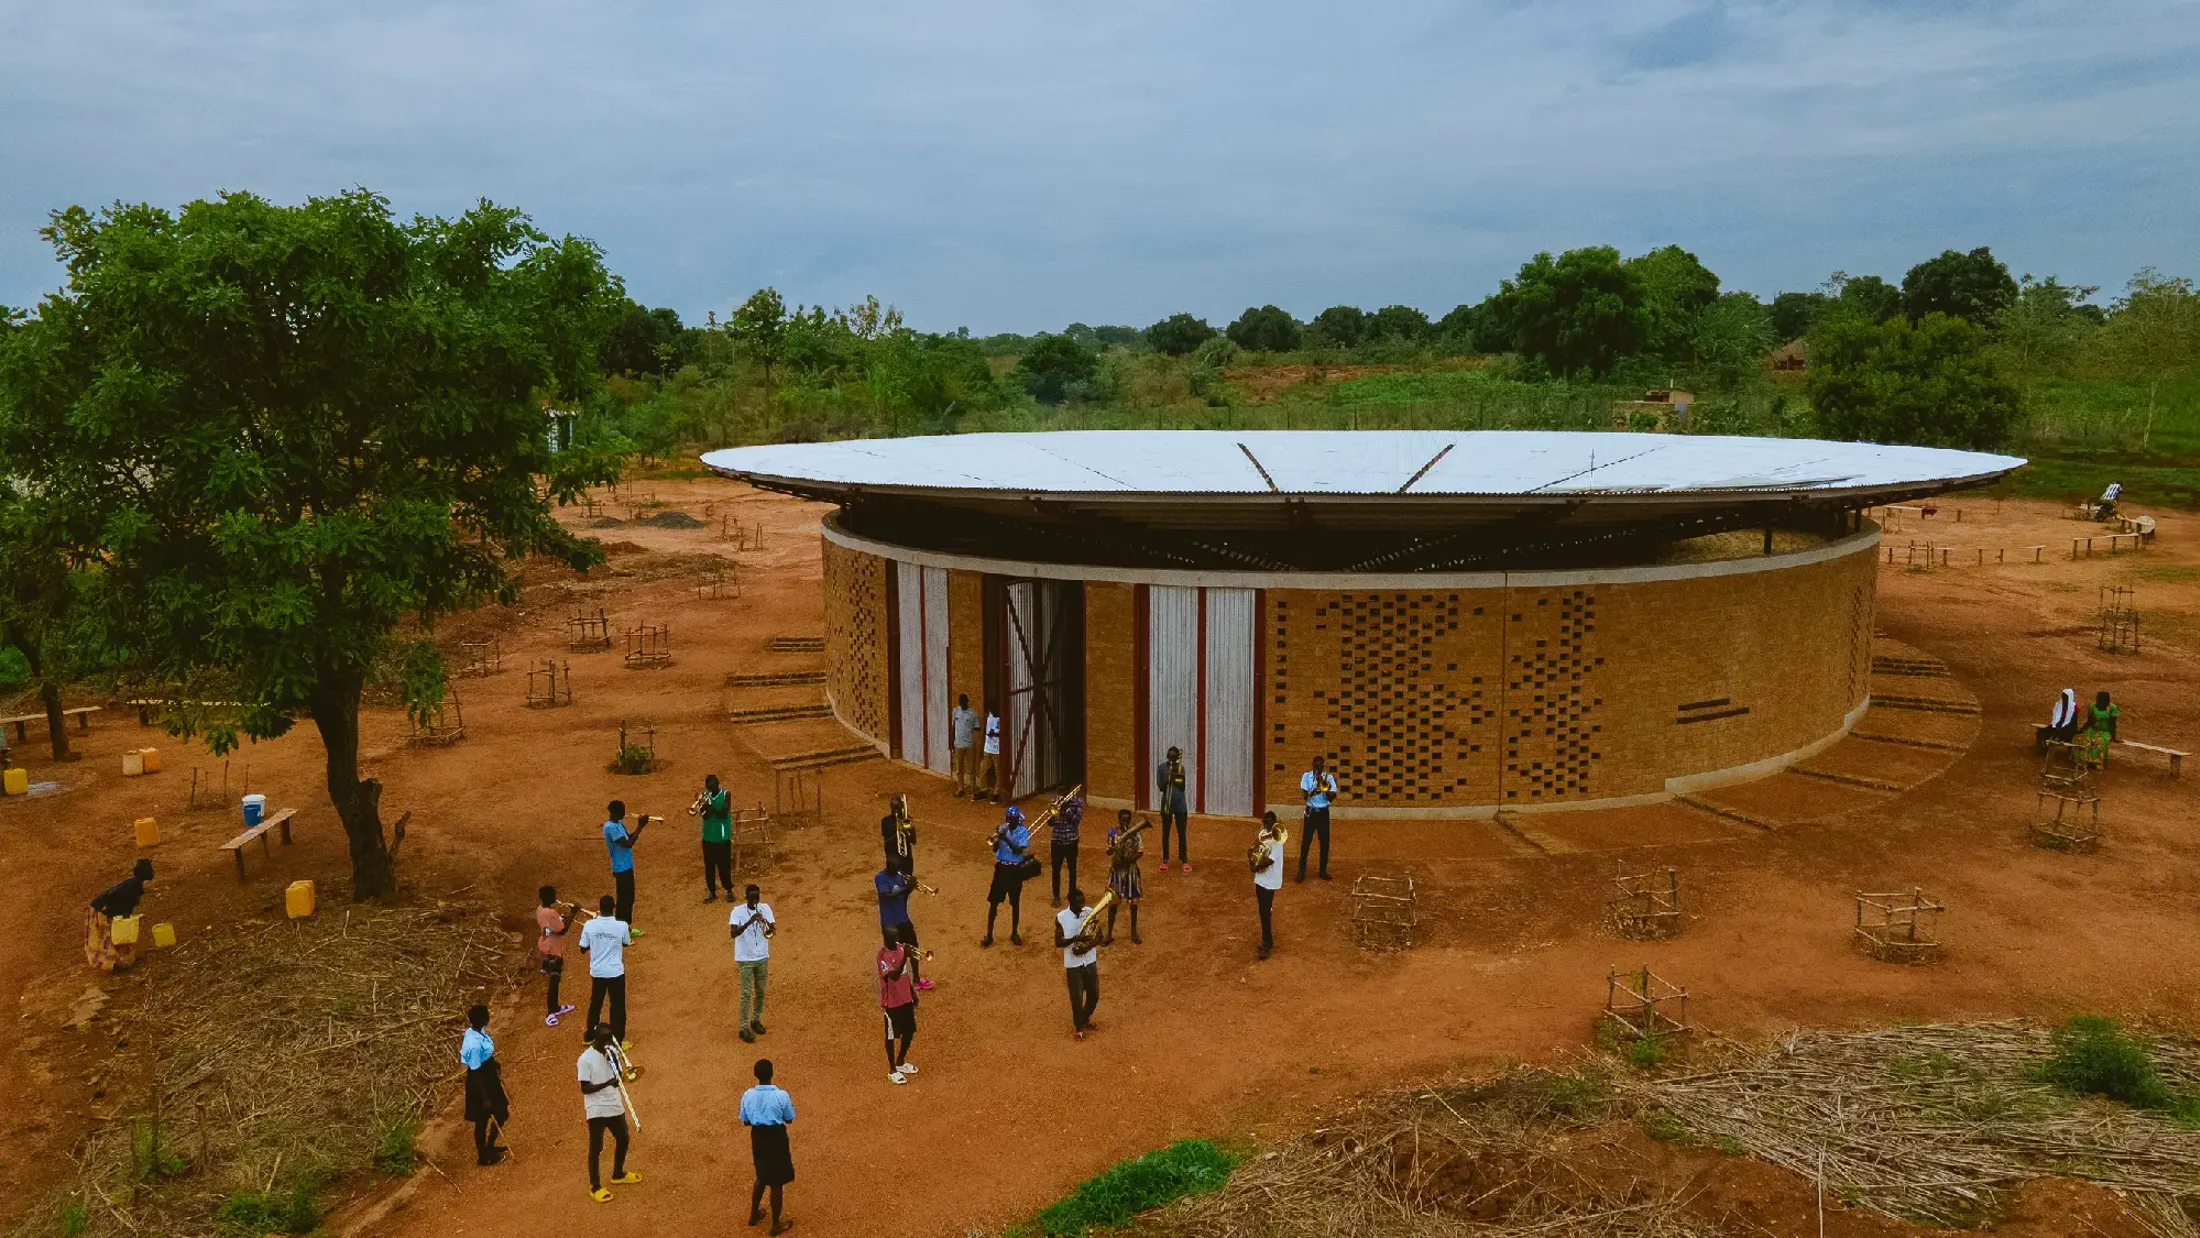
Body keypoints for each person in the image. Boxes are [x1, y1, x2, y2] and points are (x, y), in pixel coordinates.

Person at [579, 1023, 639, 1201]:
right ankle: (595, 1185)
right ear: (597, 1039)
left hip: (613, 1103)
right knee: (596, 1147)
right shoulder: (585, 1059)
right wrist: (607, 1083)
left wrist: (620, 1075)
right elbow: (585, 1087)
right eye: (605, 1039)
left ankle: (618, 1174)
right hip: (596, 1108)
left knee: (623, 1137)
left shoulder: (611, 1052)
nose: (609, 1042)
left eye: (610, 1039)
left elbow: (620, 1075)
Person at [741, 1058, 797, 1234]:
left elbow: (745, 1121)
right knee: (777, 1181)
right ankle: (775, 1224)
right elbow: (789, 1119)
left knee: (761, 1174)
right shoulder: (781, 1095)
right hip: (776, 1138)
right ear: (772, 1074)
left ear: (755, 1075)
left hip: (758, 1137)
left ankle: (753, 1215)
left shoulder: (748, 1095)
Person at [579, 895, 632, 1046]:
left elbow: (583, 948)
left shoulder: (589, 925)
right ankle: (618, 1040)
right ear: (613, 908)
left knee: (595, 1003)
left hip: (597, 972)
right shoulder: (621, 925)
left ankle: (590, 1035)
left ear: (600, 908)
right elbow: (626, 943)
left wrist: (596, 943)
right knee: (617, 1006)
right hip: (615, 972)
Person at [461, 1005, 509, 1166]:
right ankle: (483, 1156)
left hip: (488, 1075)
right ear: (482, 1019)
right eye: (486, 1015)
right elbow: (475, 1071)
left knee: (502, 1112)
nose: (489, 1016)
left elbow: (484, 1057)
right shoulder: (473, 1044)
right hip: (480, 1083)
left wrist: (492, 1063)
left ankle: (490, 1146)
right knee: (482, 1119)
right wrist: (485, 1097)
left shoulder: (476, 1031)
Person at [876, 854, 932, 991]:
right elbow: (886, 896)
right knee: (894, 955)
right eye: (895, 869)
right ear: (889, 867)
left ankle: (917, 980)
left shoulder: (899, 876)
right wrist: (906, 888)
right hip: (890, 924)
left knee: (914, 948)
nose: (897, 871)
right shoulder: (880, 877)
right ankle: (894, 984)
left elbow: (903, 897)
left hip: (903, 919)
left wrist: (911, 888)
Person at [85, 859, 153, 971]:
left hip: (105, 908)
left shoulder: (135, 883)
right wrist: (113, 912)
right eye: (150, 870)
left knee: (114, 935)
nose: (152, 873)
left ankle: (117, 962)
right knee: (105, 938)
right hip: (100, 909)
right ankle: (111, 965)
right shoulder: (134, 884)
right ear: (144, 872)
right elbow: (116, 896)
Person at [730, 884, 775, 1042]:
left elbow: (773, 931)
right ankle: (743, 1028)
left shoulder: (765, 909)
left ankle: (755, 1019)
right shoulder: (737, 912)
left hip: (762, 956)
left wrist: (764, 922)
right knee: (746, 994)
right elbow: (733, 933)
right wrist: (750, 921)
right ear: (746, 897)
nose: (755, 900)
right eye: (752, 897)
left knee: (761, 990)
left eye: (757, 896)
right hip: (746, 959)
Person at [982, 804, 1032, 947]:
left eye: (1012, 819)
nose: (1009, 821)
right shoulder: (1003, 829)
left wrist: (1005, 838)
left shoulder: (1022, 832)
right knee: (993, 903)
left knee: (1015, 903)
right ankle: (989, 934)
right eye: (1008, 818)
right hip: (1001, 869)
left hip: (1015, 870)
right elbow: (995, 848)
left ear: (1018, 819)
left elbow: (1018, 851)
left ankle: (1014, 933)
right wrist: (997, 840)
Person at [1055, 887, 1102, 1039]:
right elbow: (1058, 942)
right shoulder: (1061, 917)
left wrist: (1086, 947)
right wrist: (1076, 939)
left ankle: (1085, 1018)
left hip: (1089, 960)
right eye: (1079, 903)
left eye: (1083, 901)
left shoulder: (1090, 912)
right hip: (1073, 965)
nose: (1082, 905)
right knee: (1076, 998)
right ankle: (1079, 1027)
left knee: (1094, 995)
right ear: (1070, 902)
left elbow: (1099, 936)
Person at [878, 927, 920, 1083]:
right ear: (886, 939)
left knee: (910, 1030)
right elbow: (894, 976)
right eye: (893, 937)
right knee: (890, 1035)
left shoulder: (901, 948)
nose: (897, 940)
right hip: (892, 1003)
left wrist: (912, 993)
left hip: (905, 999)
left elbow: (904, 974)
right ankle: (892, 1070)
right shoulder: (882, 957)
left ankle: (901, 1061)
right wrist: (904, 958)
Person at [602, 800, 651, 935]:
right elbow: (628, 843)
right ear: (615, 812)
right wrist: (640, 827)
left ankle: (626, 928)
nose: (625, 813)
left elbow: (628, 837)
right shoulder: (610, 827)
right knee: (623, 900)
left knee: (629, 898)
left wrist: (638, 828)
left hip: (626, 866)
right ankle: (621, 931)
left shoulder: (618, 824)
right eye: (622, 811)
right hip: (620, 868)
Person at [536, 885, 578, 1026]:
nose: (556, 897)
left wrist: (562, 919)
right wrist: (573, 913)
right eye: (554, 895)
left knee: (555, 979)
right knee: (554, 980)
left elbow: (549, 928)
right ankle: (551, 1011)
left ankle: (555, 1007)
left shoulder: (540, 910)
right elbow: (562, 930)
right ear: (549, 897)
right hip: (554, 949)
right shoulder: (551, 913)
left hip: (546, 944)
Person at [1105, 810, 1145, 945]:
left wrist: (1130, 858)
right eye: (1123, 820)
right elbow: (1108, 851)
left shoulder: (1135, 833)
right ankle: (1109, 934)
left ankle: (1134, 931)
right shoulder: (1112, 832)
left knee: (1133, 903)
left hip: (1131, 870)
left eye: (1127, 820)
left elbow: (1140, 851)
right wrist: (1114, 849)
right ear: (1118, 819)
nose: (1125, 823)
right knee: (1113, 903)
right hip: (1117, 871)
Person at [1250, 811, 1285, 960]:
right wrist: (1253, 858)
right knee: (1263, 911)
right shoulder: (1263, 833)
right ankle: (1268, 941)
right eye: (1265, 822)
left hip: (1270, 880)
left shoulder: (1278, 839)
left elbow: (1269, 860)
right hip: (1261, 878)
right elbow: (1259, 850)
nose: (1267, 825)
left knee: (1265, 911)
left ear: (1275, 823)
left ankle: (1266, 944)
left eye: (1270, 822)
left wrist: (1255, 866)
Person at [1298, 755, 1338, 882]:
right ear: (1312, 765)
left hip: (1323, 813)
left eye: (1320, 766)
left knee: (1325, 843)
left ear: (1323, 766)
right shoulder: (1306, 776)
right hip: (1310, 813)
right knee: (1306, 842)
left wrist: (1323, 784)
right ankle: (1301, 871)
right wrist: (1315, 787)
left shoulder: (1329, 778)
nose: (1318, 769)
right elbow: (1305, 797)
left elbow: (1331, 798)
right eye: (1316, 766)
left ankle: (1323, 871)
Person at [697, 774, 732, 903]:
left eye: (712, 789)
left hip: (722, 837)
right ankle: (712, 892)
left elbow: (723, 813)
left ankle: (728, 890)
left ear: (718, 786)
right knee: (709, 867)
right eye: (708, 789)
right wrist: (704, 806)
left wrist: (711, 806)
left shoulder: (726, 794)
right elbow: (705, 817)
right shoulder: (705, 796)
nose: (709, 791)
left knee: (724, 865)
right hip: (708, 837)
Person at [1155, 745, 1190, 871]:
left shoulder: (1181, 768)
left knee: (1182, 833)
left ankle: (1184, 859)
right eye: (1171, 756)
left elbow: (1182, 787)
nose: (1172, 758)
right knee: (1166, 832)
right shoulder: (1161, 768)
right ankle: (1165, 859)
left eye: (1174, 757)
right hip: (1167, 805)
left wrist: (1177, 775)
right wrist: (1169, 777)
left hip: (1180, 804)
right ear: (1167, 756)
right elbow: (1161, 786)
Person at [1049, 787, 1085, 907]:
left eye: (1065, 794)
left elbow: (1076, 821)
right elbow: (1050, 823)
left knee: (1072, 870)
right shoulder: (1056, 800)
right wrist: (1054, 813)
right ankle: (1056, 896)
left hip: (1071, 841)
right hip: (1057, 840)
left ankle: (1072, 896)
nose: (1062, 797)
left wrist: (1067, 810)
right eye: (1061, 794)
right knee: (1055, 870)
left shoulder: (1078, 802)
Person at [2078, 689, 2121, 768]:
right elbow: (2089, 721)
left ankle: (2097, 762)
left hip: (2105, 731)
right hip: (2093, 729)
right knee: (2085, 739)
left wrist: (2113, 737)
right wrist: (2082, 729)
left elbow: (2113, 724)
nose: (2098, 702)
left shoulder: (2112, 708)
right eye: (2097, 700)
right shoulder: (2092, 706)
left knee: (2101, 742)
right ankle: (2085, 760)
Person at [951, 693, 981, 797]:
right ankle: (960, 789)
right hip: (958, 744)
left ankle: (973, 788)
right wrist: (951, 743)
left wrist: (977, 743)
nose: (962, 704)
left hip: (969, 745)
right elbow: (953, 727)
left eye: (964, 702)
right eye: (960, 702)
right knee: (959, 769)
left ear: (967, 702)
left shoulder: (973, 713)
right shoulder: (955, 711)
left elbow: (977, 729)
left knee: (971, 768)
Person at [2036, 688, 2080, 754]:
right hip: (2057, 727)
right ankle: (2041, 750)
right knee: (2040, 732)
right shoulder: (2058, 705)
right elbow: (2055, 719)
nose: (2064, 698)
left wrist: (2060, 726)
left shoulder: (2074, 708)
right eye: (2063, 696)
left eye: (2066, 697)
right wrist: (2055, 725)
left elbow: (2073, 723)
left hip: (2068, 729)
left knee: (2057, 734)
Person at [880, 793, 914, 872]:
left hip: (907, 860)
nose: (895, 811)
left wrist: (906, 831)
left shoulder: (907, 821)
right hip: (892, 860)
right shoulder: (885, 821)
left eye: (897, 808)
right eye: (894, 808)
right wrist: (898, 832)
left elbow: (913, 841)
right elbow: (887, 841)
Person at [979, 702, 1002, 802]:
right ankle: (983, 791)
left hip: (997, 749)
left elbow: (1005, 732)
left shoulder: (1002, 717)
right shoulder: (990, 715)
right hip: (987, 748)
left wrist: (996, 734)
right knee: (982, 770)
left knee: (998, 772)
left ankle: (996, 793)